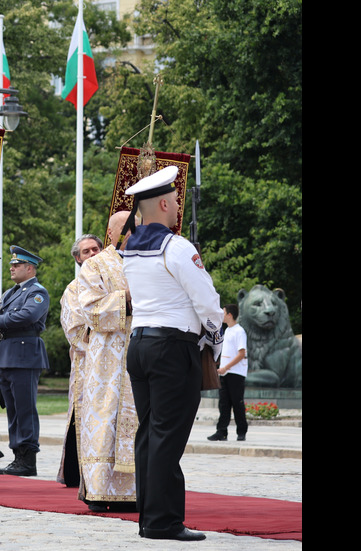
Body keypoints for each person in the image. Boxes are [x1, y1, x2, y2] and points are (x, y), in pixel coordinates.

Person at [120, 165, 223, 541]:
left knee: (149, 434)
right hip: (172, 348)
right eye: (176, 200)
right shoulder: (177, 247)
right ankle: (163, 522)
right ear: (163, 203)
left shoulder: (129, 249)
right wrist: (214, 339)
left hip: (141, 345)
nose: (179, 206)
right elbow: (208, 304)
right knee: (167, 436)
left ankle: (150, 518)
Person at [74, 212, 138, 511]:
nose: (132, 232)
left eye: (136, 225)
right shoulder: (96, 265)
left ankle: (139, 490)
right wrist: (126, 296)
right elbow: (91, 309)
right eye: (126, 228)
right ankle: (101, 490)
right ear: (111, 233)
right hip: (109, 358)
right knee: (106, 418)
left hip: (142, 351)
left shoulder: (150, 260)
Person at [0, 246, 49, 477]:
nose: (12, 268)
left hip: (24, 354)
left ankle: (28, 459)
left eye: (17, 265)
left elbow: (28, 316)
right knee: (12, 410)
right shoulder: (11, 293)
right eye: (12, 264)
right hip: (7, 355)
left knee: (24, 409)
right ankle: (17, 456)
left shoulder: (36, 292)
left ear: (30, 268)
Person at [57, 234, 102, 487]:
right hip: (89, 362)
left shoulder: (115, 282)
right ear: (78, 258)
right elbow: (74, 330)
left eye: (96, 249)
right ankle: (79, 472)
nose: (93, 254)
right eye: (87, 251)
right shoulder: (74, 290)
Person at [208, 304, 248, 441]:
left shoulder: (239, 331)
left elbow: (242, 353)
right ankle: (221, 431)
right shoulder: (227, 331)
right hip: (224, 374)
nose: (222, 315)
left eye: (223, 313)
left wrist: (227, 367)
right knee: (223, 403)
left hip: (236, 373)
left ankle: (241, 432)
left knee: (237, 403)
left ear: (230, 315)